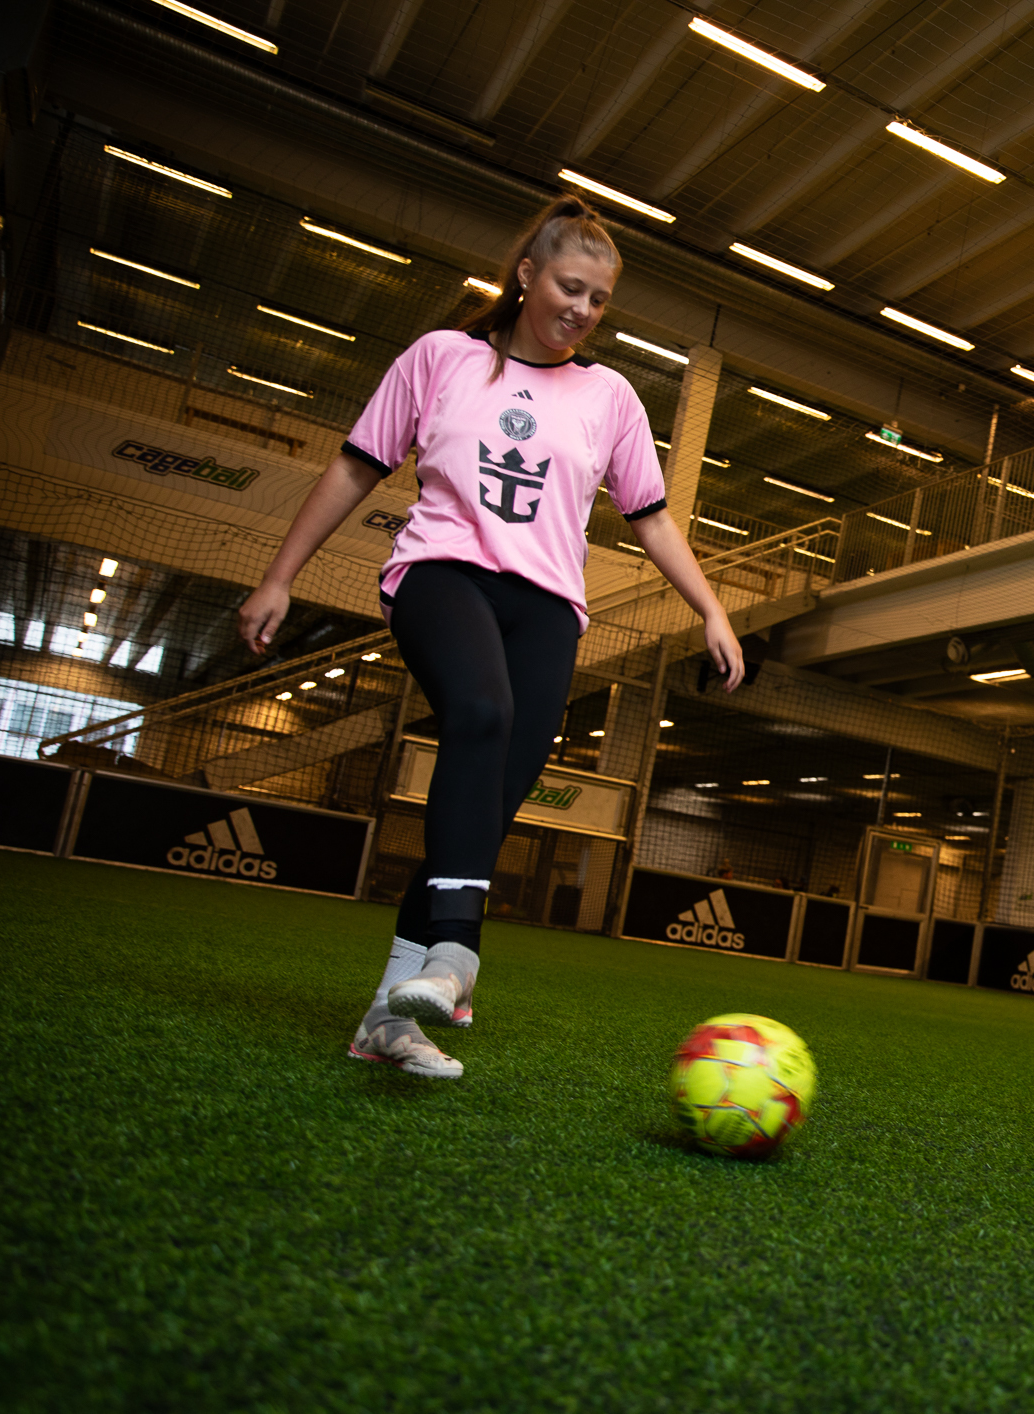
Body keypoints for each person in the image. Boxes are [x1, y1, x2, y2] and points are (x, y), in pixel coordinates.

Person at [238, 195, 745, 1080]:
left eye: (599, 299)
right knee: (480, 711)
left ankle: (390, 1017)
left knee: (488, 804)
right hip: (443, 573)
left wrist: (712, 608)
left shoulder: (610, 397)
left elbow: (653, 520)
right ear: (526, 276)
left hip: (549, 604)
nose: (582, 311)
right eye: (569, 287)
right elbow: (355, 466)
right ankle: (459, 955)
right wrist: (279, 576)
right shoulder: (441, 359)